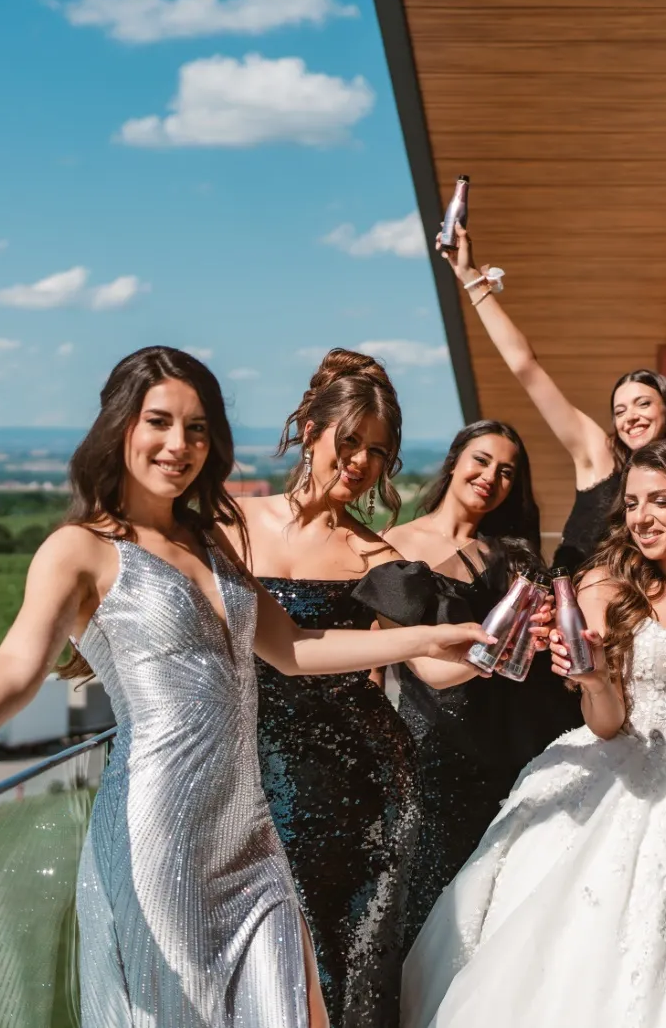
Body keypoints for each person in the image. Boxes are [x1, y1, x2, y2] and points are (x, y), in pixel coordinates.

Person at [0, 347, 489, 1028]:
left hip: (251, 837)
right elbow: (16, 666)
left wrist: (426, 640)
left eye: (196, 428)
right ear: (120, 426)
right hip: (163, 836)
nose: (179, 444)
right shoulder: (80, 549)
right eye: (159, 422)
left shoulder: (211, 543)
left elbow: (293, 648)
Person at [401, 439, 666, 1028]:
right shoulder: (606, 586)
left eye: (660, 501)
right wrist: (595, 680)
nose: (641, 517)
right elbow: (604, 724)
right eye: (631, 503)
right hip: (613, 786)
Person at [227, 349, 427, 1026]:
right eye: (351, 441)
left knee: (345, 977)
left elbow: (433, 665)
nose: (362, 461)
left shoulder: (380, 558)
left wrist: (494, 641)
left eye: (379, 451)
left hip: (363, 783)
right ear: (310, 430)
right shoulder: (231, 524)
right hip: (252, 774)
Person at [358, 419, 582, 946]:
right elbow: (404, 666)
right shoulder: (391, 549)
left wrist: (544, 631)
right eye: (481, 460)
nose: (490, 477)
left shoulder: (514, 556)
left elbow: (539, 657)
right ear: (454, 461)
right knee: (432, 899)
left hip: (510, 745)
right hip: (433, 748)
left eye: (506, 471)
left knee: (499, 907)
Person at [436, 222, 666, 571]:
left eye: (643, 403)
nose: (630, 416)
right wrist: (470, 278)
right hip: (563, 598)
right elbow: (526, 367)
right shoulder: (600, 455)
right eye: (619, 410)